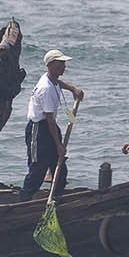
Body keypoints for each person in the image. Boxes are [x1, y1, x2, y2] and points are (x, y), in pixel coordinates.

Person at [21, 49, 83, 198]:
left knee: (59, 167)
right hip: (39, 129)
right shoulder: (46, 89)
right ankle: (24, 199)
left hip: (50, 127)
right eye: (61, 64)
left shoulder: (51, 78)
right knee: (37, 169)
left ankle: (56, 198)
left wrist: (72, 89)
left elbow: (58, 83)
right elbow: (49, 119)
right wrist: (58, 145)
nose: (64, 67)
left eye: (64, 63)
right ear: (51, 65)